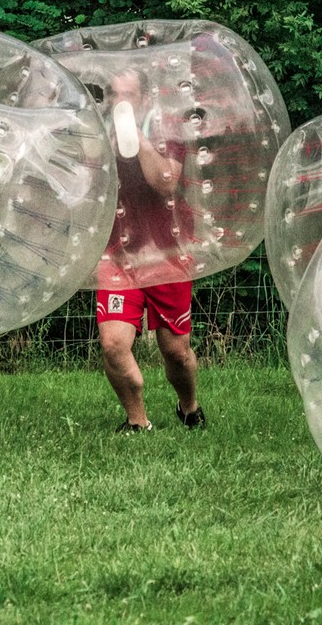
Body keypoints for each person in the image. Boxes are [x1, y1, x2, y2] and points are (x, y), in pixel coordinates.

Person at [95, 68, 205, 433]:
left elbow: (165, 183)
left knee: (175, 352)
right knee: (113, 344)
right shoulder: (98, 135)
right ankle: (137, 419)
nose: (119, 102)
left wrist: (137, 139)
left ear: (143, 98)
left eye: (128, 95)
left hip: (166, 252)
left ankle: (188, 406)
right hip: (118, 253)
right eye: (114, 95)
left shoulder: (167, 131)